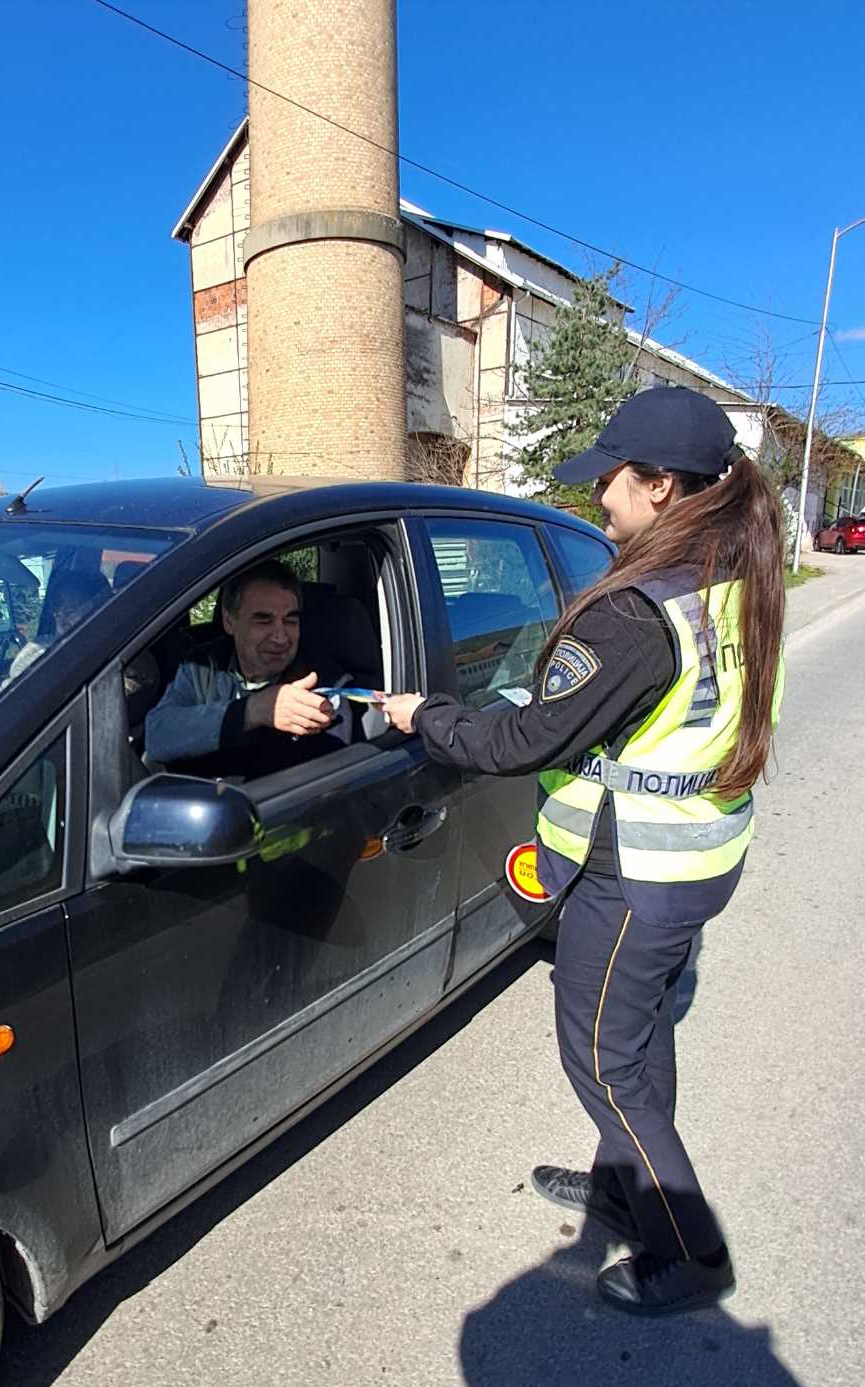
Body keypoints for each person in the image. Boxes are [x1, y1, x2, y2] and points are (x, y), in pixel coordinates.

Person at [382, 385, 785, 1316]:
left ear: (660, 485)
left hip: (635, 875)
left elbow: (523, 741)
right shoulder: (730, 575)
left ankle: (691, 1251)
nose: (596, 496)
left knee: (604, 1060)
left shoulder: (637, 611)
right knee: (638, 1039)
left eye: (608, 479)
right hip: (694, 860)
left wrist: (425, 715)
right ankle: (622, 1187)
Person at [144, 559, 351, 780]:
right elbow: (157, 737)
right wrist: (252, 711)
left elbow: (333, 781)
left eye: (290, 621)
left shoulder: (324, 683)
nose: (280, 638)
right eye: (264, 621)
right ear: (229, 622)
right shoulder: (202, 665)